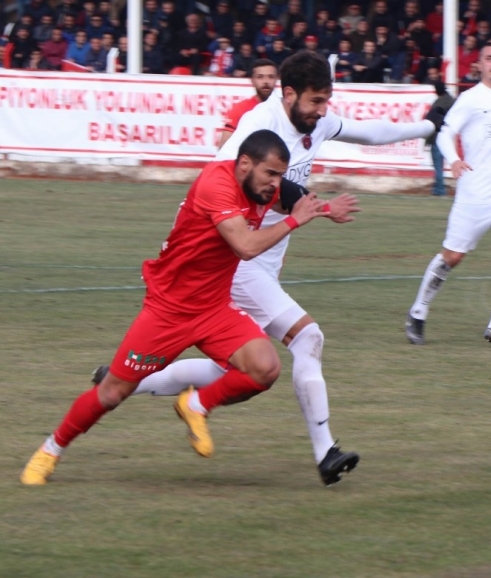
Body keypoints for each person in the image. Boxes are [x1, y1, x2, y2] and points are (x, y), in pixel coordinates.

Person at [102, 51, 441, 484]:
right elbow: (214, 181)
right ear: (289, 94)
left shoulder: (315, 121)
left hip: (264, 263)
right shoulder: (256, 129)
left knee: (231, 367)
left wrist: (429, 126)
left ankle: (128, 379)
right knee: (308, 338)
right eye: (316, 101)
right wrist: (299, 200)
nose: (322, 111)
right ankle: (325, 453)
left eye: (327, 101)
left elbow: (371, 133)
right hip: (239, 263)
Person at [20, 129, 359, 486]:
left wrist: (325, 209)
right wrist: (295, 219)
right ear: (244, 164)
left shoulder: (264, 186)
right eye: (270, 175)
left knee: (265, 368)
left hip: (214, 308)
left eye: (279, 176)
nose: (276, 185)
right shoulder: (217, 184)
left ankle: (195, 405)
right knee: (112, 393)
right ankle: (50, 449)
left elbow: (297, 198)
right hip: (168, 310)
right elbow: (244, 246)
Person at [405, 40, 491, 348]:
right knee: (453, 256)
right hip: (474, 194)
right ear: (479, 64)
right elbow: (446, 133)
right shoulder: (470, 99)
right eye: (489, 58)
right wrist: (454, 160)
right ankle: (418, 311)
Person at [220, 59, 278, 148]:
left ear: (276, 79)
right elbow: (224, 145)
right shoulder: (240, 109)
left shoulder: (284, 109)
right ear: (252, 80)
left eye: (271, 77)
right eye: (260, 77)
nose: (266, 81)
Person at [427, 81, 455, 197]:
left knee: (438, 165)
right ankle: (439, 187)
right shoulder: (452, 101)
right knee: (441, 165)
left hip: (436, 136)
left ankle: (439, 189)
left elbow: (430, 120)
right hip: (448, 136)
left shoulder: (438, 104)